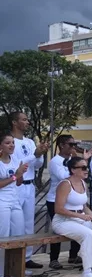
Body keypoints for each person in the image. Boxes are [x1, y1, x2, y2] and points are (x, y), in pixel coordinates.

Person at [46, 135, 92, 269]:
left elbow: (79, 176)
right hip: (55, 198)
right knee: (58, 230)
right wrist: (80, 161)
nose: (73, 147)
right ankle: (54, 258)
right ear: (61, 145)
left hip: (73, 198)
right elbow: (65, 177)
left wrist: (82, 161)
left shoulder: (73, 160)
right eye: (70, 144)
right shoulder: (56, 161)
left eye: (74, 144)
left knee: (79, 224)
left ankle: (73, 255)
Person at [10, 112, 49, 269]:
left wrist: (39, 154)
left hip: (29, 184)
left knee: (28, 222)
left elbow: (37, 164)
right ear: (14, 122)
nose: (27, 122)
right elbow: (16, 164)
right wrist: (34, 155)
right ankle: (13, 257)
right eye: (24, 119)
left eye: (27, 119)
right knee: (15, 223)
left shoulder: (30, 141)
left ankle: (27, 257)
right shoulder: (10, 141)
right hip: (15, 185)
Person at [0, 133, 29, 277]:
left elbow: (18, 182)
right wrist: (15, 176)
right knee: (3, 235)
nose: (11, 145)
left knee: (19, 234)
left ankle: (17, 269)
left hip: (14, 200)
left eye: (12, 143)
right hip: (2, 201)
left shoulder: (15, 160)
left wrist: (21, 173)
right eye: (7, 143)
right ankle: (1, 271)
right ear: (0, 146)